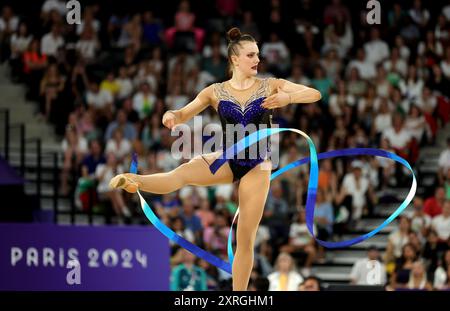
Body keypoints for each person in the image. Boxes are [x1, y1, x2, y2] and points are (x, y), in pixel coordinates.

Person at [109, 27, 321, 291]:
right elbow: (184, 113)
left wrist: (288, 97)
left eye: (258, 54)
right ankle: (133, 180)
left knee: (245, 238)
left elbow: (314, 93)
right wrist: (171, 115)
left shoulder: (271, 85)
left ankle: (239, 295)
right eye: (251, 55)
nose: (258, 60)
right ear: (235, 59)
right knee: (183, 173)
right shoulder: (215, 91)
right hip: (227, 157)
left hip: (257, 165)